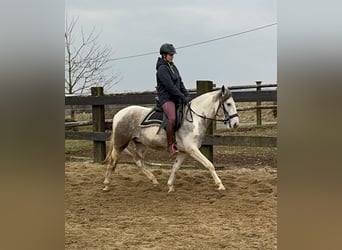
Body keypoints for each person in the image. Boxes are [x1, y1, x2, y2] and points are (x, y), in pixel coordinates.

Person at [156, 43, 190, 156]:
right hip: (166, 98)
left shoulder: (173, 67)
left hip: (175, 97)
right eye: (170, 54)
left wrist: (186, 95)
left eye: (173, 54)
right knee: (172, 118)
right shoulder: (162, 69)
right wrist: (182, 97)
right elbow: (170, 87)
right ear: (164, 55)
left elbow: (180, 83)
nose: (172, 56)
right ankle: (171, 145)